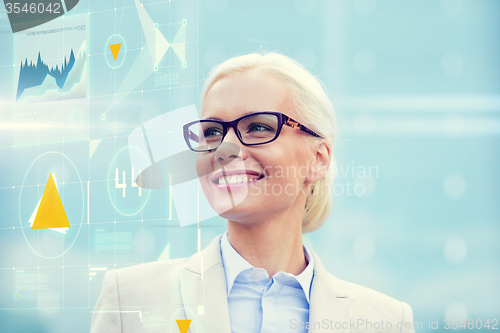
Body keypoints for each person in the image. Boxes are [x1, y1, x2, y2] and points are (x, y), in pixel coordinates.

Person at [90, 52, 415, 333]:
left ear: (318, 159)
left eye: (258, 127)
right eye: (212, 132)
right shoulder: (129, 299)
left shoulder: (384, 321)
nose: (226, 149)